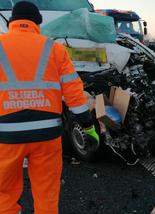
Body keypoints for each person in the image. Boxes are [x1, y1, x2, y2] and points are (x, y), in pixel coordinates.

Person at [0, 2, 99, 214]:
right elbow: (73, 92)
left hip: (6, 136)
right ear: (38, 23)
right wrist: (88, 127)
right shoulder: (54, 48)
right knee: (47, 194)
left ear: (12, 22)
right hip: (46, 137)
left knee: (3, 194)